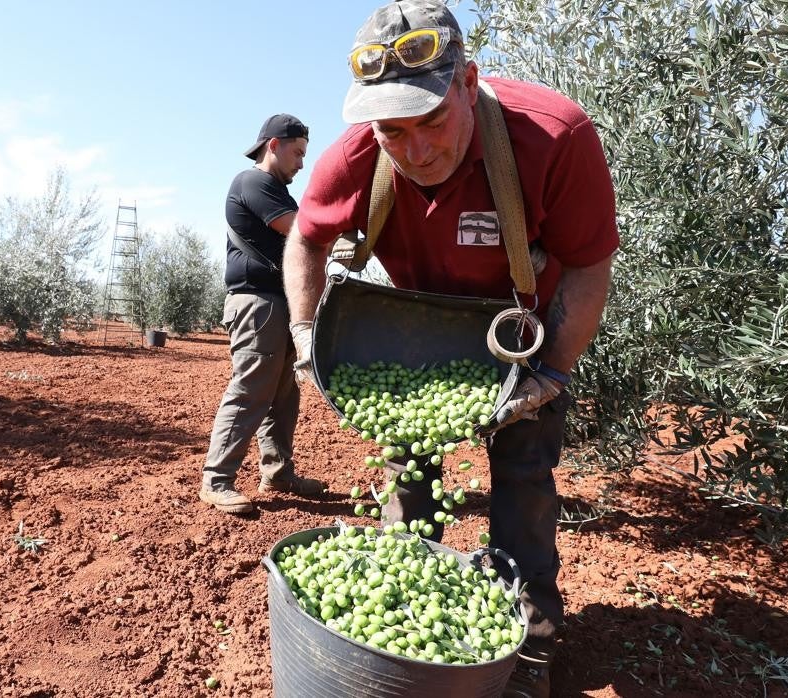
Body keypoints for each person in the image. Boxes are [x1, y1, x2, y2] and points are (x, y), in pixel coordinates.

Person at [282, 1, 618, 695]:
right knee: (409, 478)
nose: (414, 149)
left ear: (467, 83)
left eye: (431, 122)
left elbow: (589, 265)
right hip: (413, 346)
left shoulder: (554, 137)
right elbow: (307, 238)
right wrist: (305, 335)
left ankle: (528, 647)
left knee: (523, 485)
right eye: (391, 131)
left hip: (520, 343)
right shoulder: (359, 154)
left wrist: (552, 370)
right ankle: (407, 615)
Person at [199, 114, 328, 515]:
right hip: (257, 304)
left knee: (284, 395)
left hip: (280, 305)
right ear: (273, 145)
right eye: (298, 153)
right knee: (252, 388)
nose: (302, 163)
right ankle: (217, 479)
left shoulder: (276, 189)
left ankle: (277, 472)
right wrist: (342, 230)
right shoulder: (253, 182)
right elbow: (300, 231)